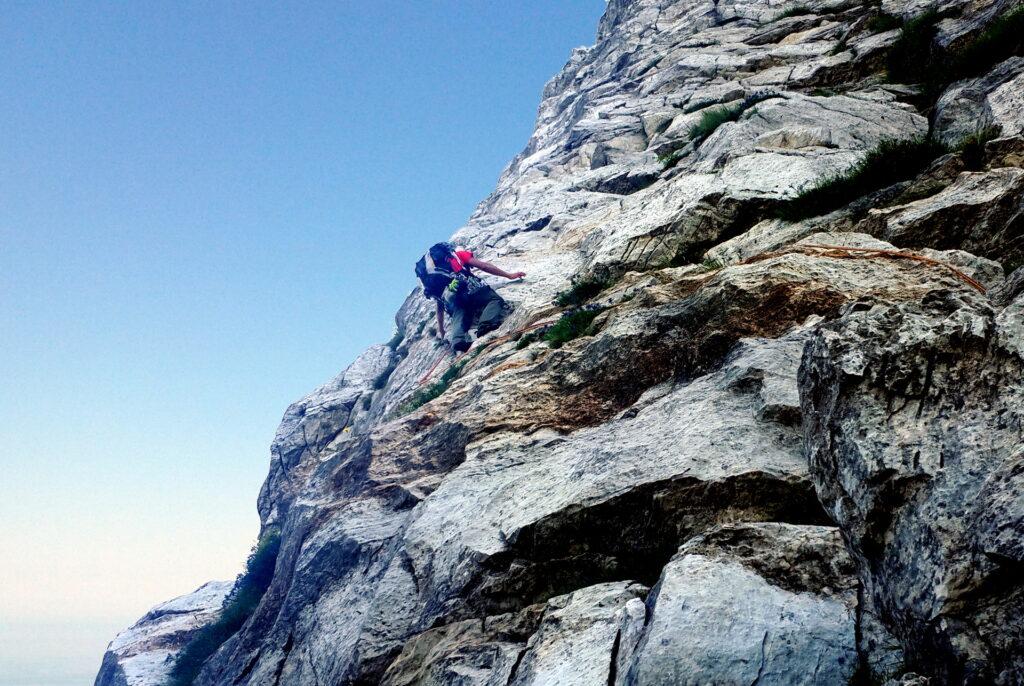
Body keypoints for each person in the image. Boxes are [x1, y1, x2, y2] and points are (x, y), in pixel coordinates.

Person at [415, 243, 525, 353]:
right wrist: (509, 275)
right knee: (494, 299)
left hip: (454, 300)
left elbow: (439, 304)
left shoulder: (436, 275)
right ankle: (485, 325)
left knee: (459, 311)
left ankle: (457, 340)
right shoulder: (458, 255)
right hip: (472, 291)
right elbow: (484, 266)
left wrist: (441, 329)